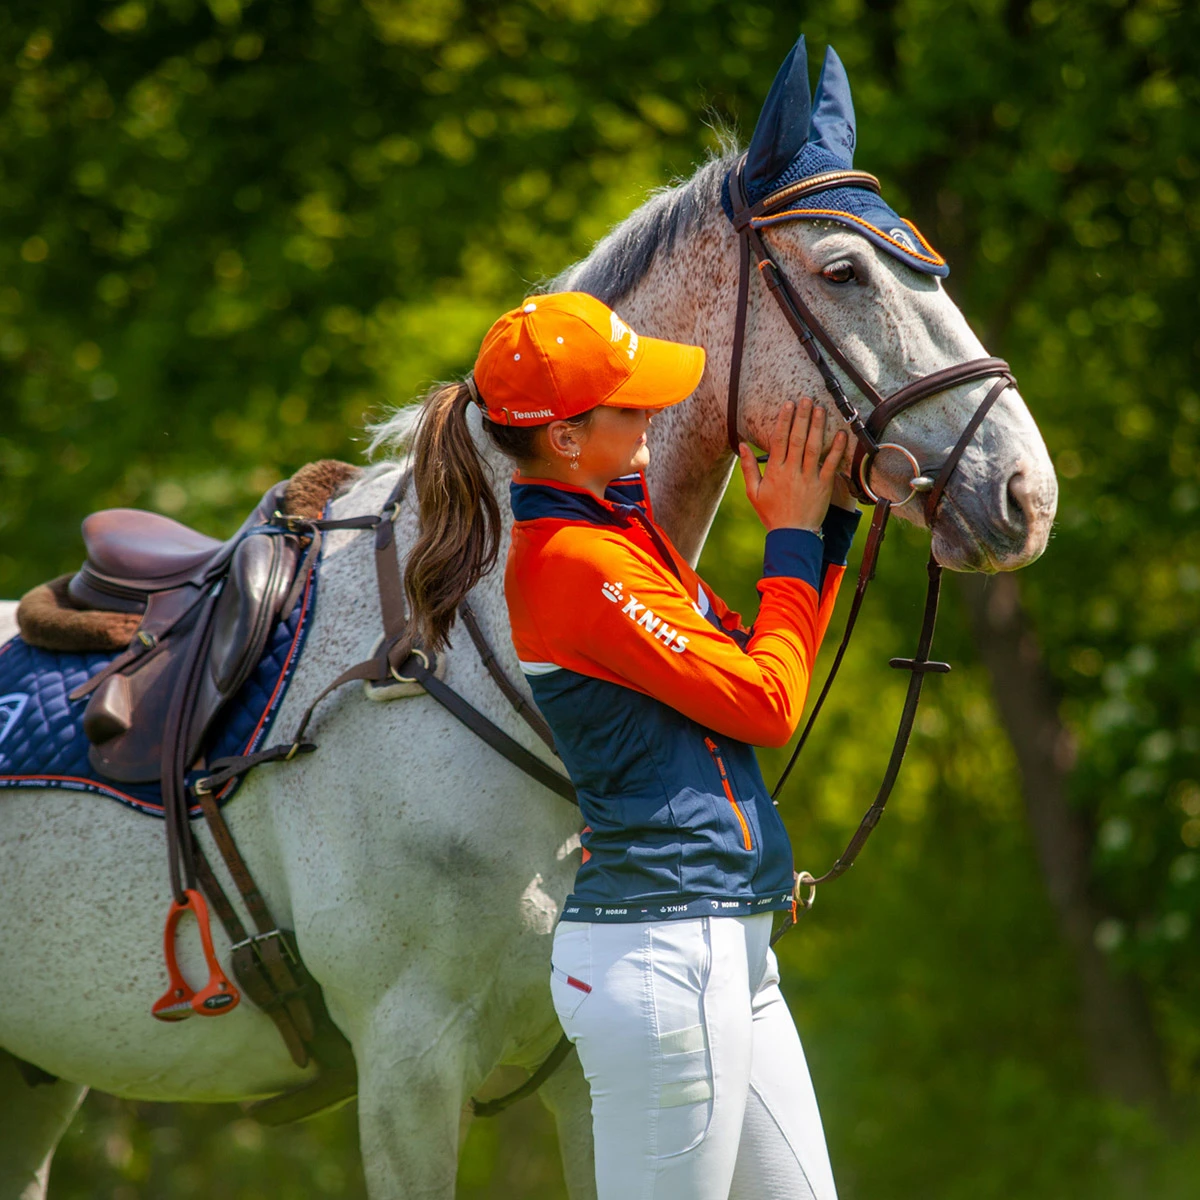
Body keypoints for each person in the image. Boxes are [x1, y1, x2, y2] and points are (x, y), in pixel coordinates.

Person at [405, 291, 858, 1199]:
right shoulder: (577, 562)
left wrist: (827, 526)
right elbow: (768, 704)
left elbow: (769, 663)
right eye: (630, 402)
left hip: (726, 940)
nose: (656, 408)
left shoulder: (624, 534)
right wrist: (795, 536)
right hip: (665, 953)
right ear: (566, 441)